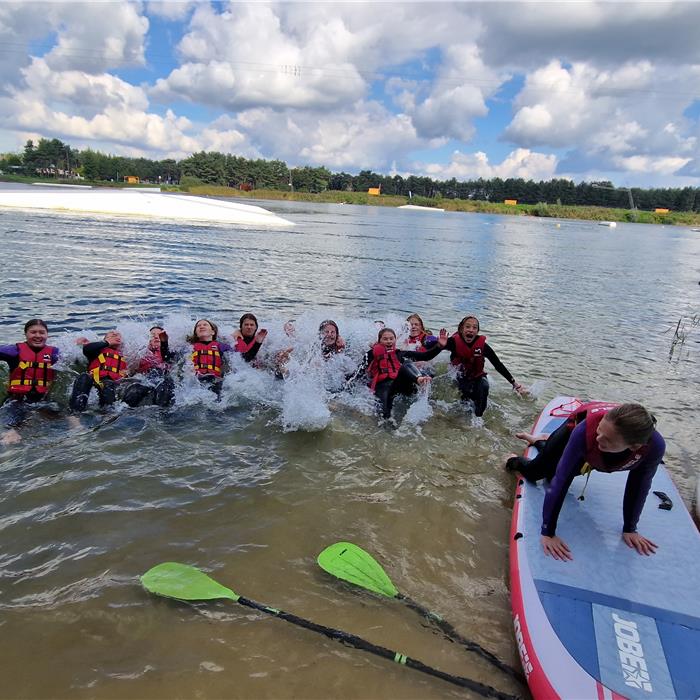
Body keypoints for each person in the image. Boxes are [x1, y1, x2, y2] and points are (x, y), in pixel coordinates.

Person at [505, 402, 665, 561]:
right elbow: (561, 480)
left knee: (552, 472)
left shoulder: (654, 448)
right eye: (600, 430)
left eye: (607, 439)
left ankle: (539, 442)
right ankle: (513, 458)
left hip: (597, 451)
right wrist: (548, 532)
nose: (598, 438)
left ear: (634, 446)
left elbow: (639, 485)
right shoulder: (585, 432)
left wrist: (630, 528)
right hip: (570, 437)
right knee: (535, 473)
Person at [435, 315, 526, 417]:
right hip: (461, 375)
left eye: (474, 328)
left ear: (477, 331)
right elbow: (427, 354)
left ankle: (479, 420)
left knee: (484, 386)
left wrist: (514, 383)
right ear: (461, 329)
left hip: (477, 375)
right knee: (466, 395)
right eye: (467, 327)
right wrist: (439, 346)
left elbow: (498, 365)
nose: (471, 330)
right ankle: (462, 421)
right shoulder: (452, 342)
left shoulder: (483, 346)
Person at [361, 327, 447, 419]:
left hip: (400, 384)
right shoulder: (371, 354)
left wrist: (439, 346)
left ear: (395, 340)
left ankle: (419, 379)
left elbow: (425, 356)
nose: (389, 341)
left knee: (407, 363)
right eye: (385, 339)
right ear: (379, 341)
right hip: (383, 386)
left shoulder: (400, 354)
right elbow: (360, 372)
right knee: (384, 416)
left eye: (391, 338)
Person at [1, 319, 60, 444]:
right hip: (16, 400)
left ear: (47, 335)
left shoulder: (54, 354)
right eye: (33, 332)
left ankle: (80, 434)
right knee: (13, 430)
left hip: (42, 400)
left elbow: (77, 356)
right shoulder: (14, 351)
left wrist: (80, 345)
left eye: (42, 332)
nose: (38, 336)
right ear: (26, 334)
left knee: (67, 417)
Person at [69, 330, 128, 412]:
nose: (115, 335)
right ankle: (75, 414)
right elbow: (87, 349)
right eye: (111, 335)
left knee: (108, 386)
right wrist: (106, 343)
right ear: (105, 339)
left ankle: (108, 415)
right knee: (84, 377)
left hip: (111, 384)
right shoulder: (98, 350)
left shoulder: (125, 356)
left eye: (118, 335)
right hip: (94, 378)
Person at [120, 326, 176, 408]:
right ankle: (118, 412)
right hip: (144, 378)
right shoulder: (141, 352)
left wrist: (164, 344)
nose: (156, 337)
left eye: (159, 335)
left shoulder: (171, 351)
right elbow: (131, 371)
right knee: (134, 390)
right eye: (153, 335)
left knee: (165, 386)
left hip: (163, 378)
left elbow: (170, 360)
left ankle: (162, 414)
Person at [187, 319, 235, 398]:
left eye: (205, 325)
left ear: (213, 332)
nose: (201, 326)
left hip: (216, 379)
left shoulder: (221, 346)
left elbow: (238, 357)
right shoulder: (190, 347)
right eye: (198, 326)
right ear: (196, 333)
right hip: (197, 380)